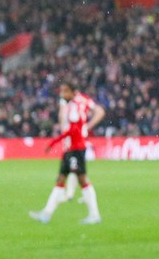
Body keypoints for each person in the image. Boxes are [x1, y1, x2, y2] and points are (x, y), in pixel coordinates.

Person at [30, 82, 104, 225]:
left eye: (65, 92)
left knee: (82, 180)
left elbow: (73, 130)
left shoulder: (74, 107)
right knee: (60, 179)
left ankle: (94, 215)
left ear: (73, 92)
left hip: (75, 148)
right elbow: (96, 113)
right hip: (71, 148)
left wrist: (54, 142)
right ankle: (46, 213)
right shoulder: (82, 101)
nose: (63, 95)